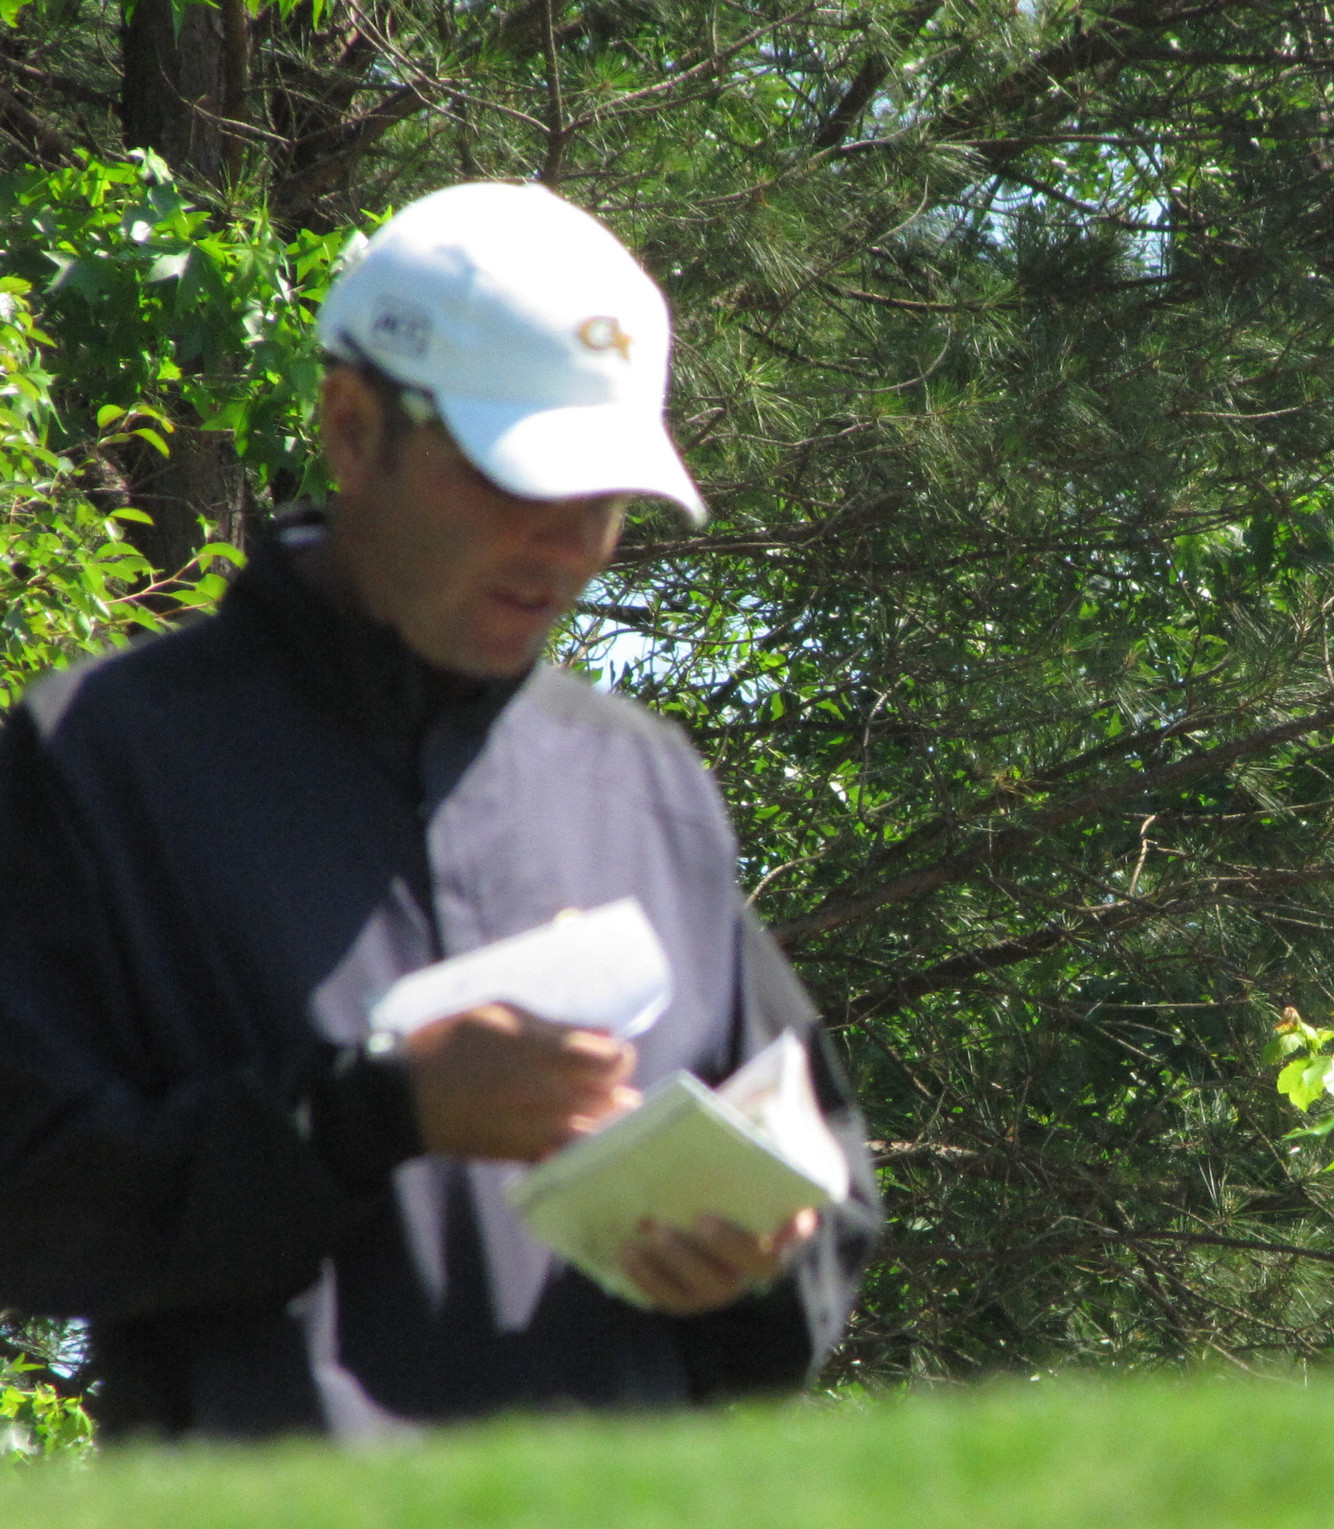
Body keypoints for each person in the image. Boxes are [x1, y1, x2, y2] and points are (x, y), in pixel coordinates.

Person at [0, 182, 880, 1437]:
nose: (572, 544)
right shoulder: (99, 759)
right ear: (353, 430)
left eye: (608, 497)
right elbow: (27, 1206)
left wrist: (761, 1266)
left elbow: (828, 1203)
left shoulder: (646, 783)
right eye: (523, 480)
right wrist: (366, 1118)